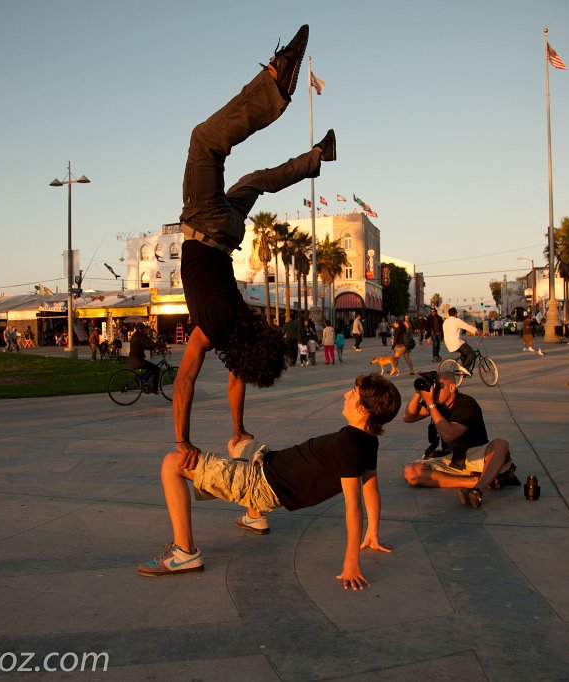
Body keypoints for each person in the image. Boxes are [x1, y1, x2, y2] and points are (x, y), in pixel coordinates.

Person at [175, 24, 336, 467]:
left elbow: (238, 378)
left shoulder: (244, 321)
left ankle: (317, 158)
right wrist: (183, 440)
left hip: (227, 231)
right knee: (204, 141)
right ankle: (274, 86)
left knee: (254, 183)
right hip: (208, 225)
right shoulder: (214, 329)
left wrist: (238, 428)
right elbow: (186, 380)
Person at [138, 374, 402, 589]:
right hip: (267, 464)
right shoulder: (367, 439)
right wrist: (373, 533)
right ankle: (254, 517)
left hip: (259, 484)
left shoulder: (349, 447)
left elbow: (353, 505)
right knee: (238, 443)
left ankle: (185, 553)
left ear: (364, 409)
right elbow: (372, 487)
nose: (346, 395)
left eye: (352, 394)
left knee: (172, 464)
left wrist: (351, 562)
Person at [401, 371, 517, 508]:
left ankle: (478, 489)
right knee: (411, 472)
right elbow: (408, 417)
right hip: (453, 459)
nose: (436, 391)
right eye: (434, 387)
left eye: (439, 387)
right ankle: (475, 481)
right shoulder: (436, 402)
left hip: (476, 455)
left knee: (500, 444)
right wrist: (419, 391)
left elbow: (448, 434)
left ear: (452, 388)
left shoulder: (467, 404)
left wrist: (431, 405)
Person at [442, 307, 480, 374]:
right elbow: (469, 327)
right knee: (472, 354)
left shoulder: (445, 322)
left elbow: (451, 333)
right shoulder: (457, 320)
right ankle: (464, 367)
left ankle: (464, 371)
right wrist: (481, 333)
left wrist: (462, 339)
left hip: (449, 344)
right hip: (457, 343)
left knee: (464, 353)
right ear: (455, 313)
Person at [129, 323, 162, 393]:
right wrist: (158, 346)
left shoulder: (137, 335)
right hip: (137, 361)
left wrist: (155, 347)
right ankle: (154, 389)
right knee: (156, 369)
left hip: (135, 359)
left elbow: (147, 345)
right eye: (144, 329)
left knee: (152, 368)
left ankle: (140, 380)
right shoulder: (139, 336)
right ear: (140, 329)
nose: (145, 330)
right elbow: (148, 343)